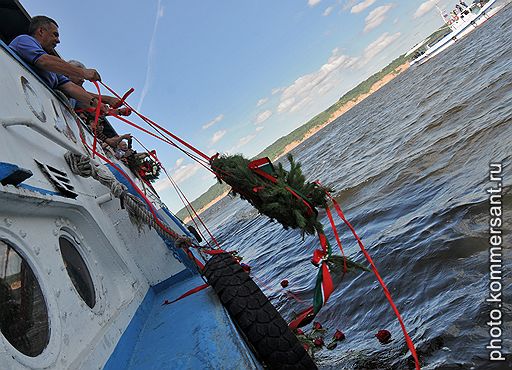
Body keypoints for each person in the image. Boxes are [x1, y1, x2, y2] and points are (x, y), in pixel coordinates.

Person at [9, 16, 108, 112]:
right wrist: (82, 72)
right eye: (55, 34)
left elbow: (70, 87)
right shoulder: (24, 40)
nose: (58, 40)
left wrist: (97, 104)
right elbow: (44, 61)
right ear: (41, 31)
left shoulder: (53, 71)